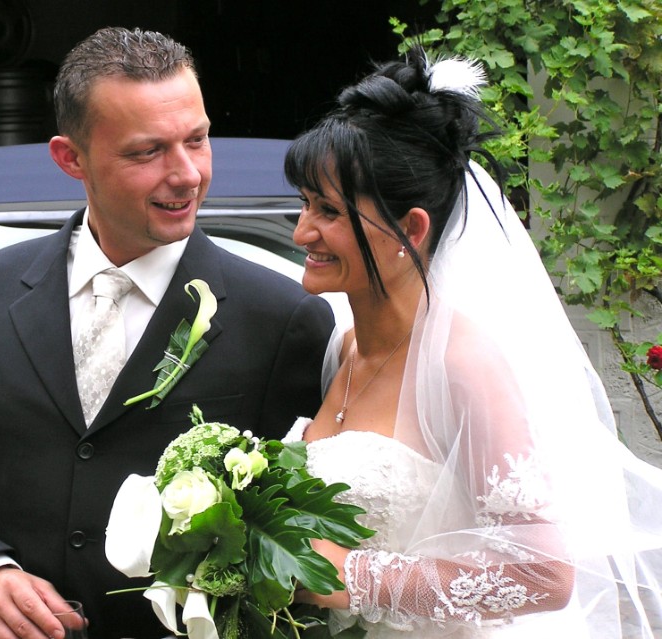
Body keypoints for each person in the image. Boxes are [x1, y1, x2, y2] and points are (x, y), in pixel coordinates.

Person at [0, 26, 335, 639]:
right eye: (147, 152)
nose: (187, 174)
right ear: (70, 158)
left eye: (197, 140)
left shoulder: (284, 319)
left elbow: (302, 535)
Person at [282, 47, 662, 638]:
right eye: (306, 204)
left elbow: (543, 573)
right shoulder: (346, 348)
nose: (303, 232)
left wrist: (354, 577)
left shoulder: (462, 361)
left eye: (329, 211)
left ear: (410, 228)